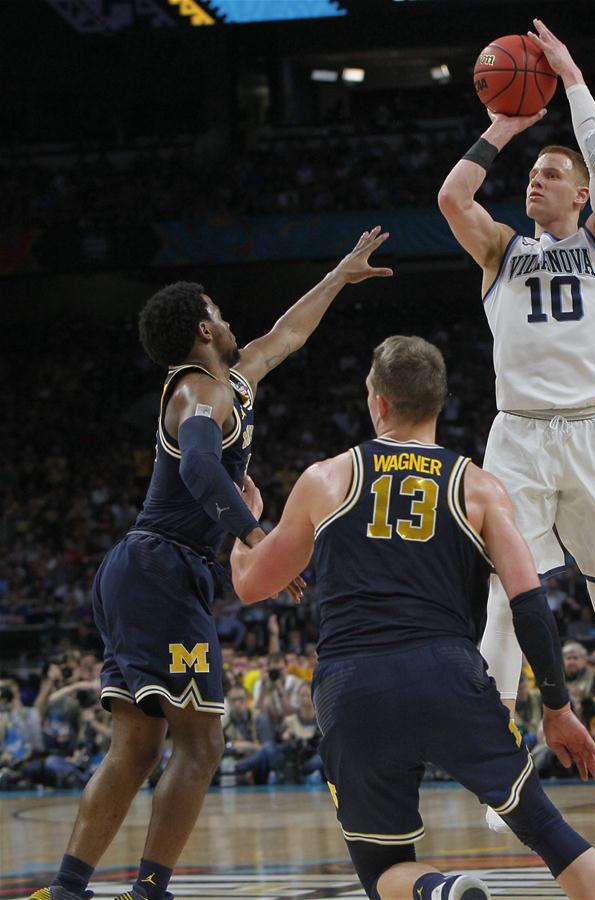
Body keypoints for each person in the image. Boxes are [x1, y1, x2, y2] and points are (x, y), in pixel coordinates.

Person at [30, 227, 392, 900]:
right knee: (201, 745)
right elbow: (198, 463)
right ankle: (148, 890)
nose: (232, 323)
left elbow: (287, 334)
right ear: (203, 327)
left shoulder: (228, 381)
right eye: (222, 315)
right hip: (161, 568)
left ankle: (68, 890)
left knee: (138, 748)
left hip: (144, 570)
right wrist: (259, 539)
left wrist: (339, 275)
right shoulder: (199, 393)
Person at [231, 336, 595, 900]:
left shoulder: (326, 479)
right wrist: (558, 708)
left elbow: (250, 585)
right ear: (436, 403)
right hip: (447, 676)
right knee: (548, 832)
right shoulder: (479, 487)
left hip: (352, 687)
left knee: (383, 869)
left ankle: (438, 892)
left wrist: (243, 527)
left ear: (380, 403)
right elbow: (528, 603)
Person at [437, 19, 595, 835]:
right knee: (502, 604)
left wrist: (567, 78)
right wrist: (504, 125)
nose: (538, 179)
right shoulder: (500, 251)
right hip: (518, 438)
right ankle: (507, 769)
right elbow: (451, 198)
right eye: (533, 172)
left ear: (577, 194)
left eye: (551, 172)